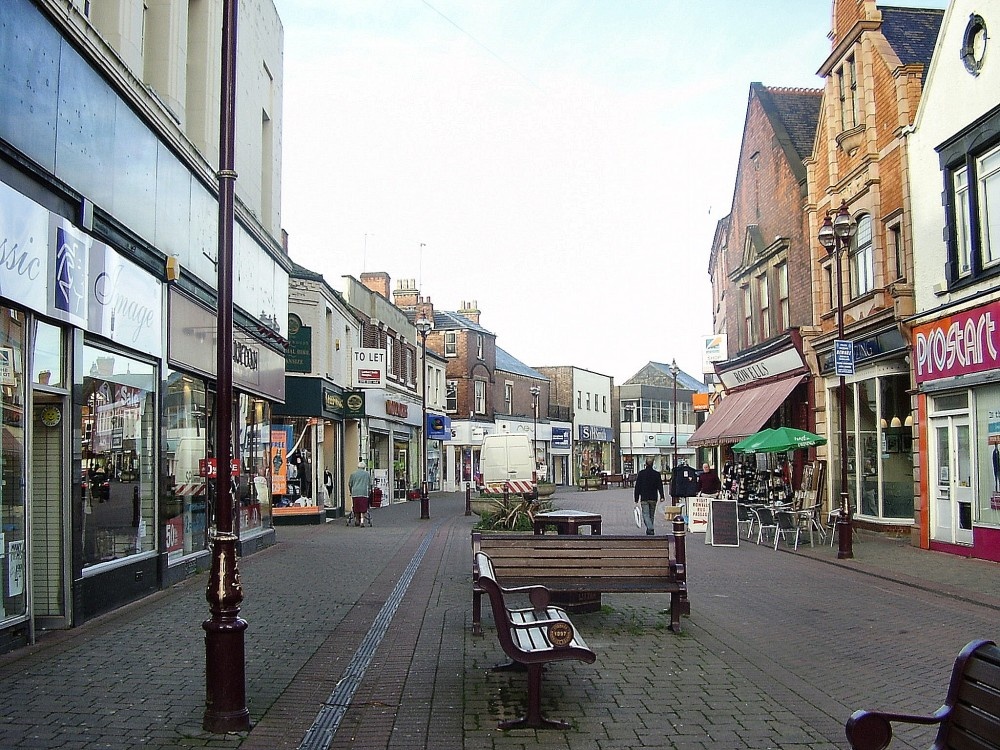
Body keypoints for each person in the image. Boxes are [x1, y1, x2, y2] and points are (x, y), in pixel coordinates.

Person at [634, 458, 664, 535]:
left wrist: (636, 498)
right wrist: (662, 496)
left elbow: (637, 486)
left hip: (644, 497)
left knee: (645, 514)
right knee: (651, 515)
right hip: (653, 497)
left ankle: (650, 528)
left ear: (645, 464)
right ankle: (650, 530)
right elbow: (660, 486)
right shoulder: (656, 474)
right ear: (653, 463)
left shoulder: (641, 473)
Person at [348, 461, 372, 527]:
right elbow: (370, 484)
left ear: (358, 467)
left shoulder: (353, 474)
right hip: (364, 492)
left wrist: (351, 491)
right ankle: (362, 520)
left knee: (356, 506)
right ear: (364, 467)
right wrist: (369, 491)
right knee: (363, 507)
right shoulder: (367, 474)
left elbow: (350, 484)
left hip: (355, 492)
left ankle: (356, 519)